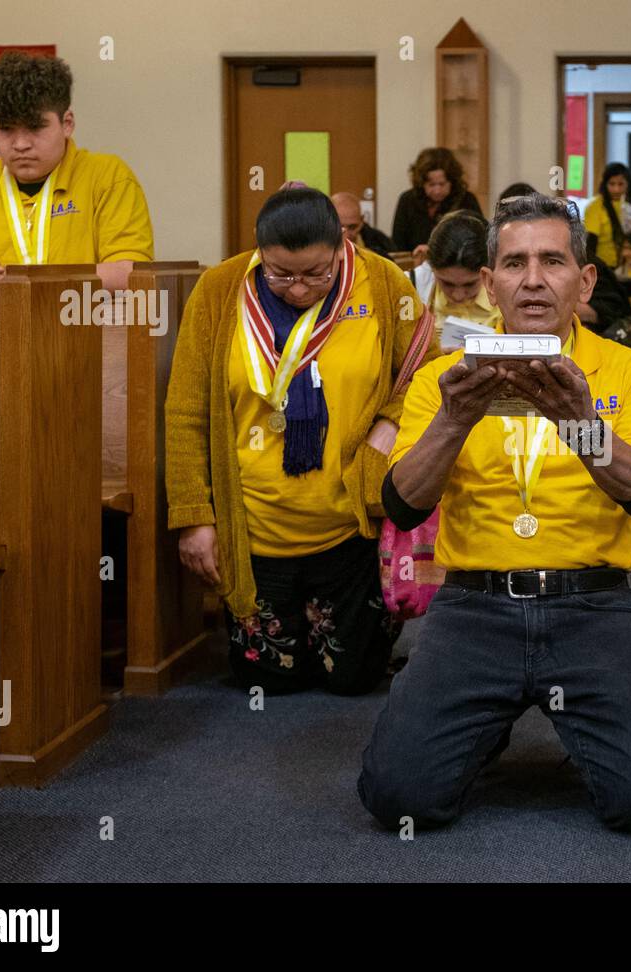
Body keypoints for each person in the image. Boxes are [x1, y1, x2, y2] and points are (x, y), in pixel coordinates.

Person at [358, 193, 631, 834]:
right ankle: (485, 722)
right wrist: (455, 420)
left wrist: (578, 423)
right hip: (474, 607)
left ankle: (553, 719)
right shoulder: (444, 378)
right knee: (397, 797)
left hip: (592, 605)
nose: (535, 279)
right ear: (490, 283)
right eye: (514, 264)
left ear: (585, 278)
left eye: (553, 261)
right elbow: (403, 504)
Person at [165, 187, 435, 695]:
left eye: (316, 273)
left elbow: (426, 371)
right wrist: (195, 517)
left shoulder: (382, 283)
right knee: (267, 681)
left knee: (354, 679)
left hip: (349, 525)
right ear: (258, 252)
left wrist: (391, 422)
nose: (297, 288)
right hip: (256, 523)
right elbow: (185, 411)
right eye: (280, 274)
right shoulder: (219, 290)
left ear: (341, 248)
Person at [0, 51, 153, 306]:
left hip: (83, 334)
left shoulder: (108, 177)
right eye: (5, 129)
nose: (21, 144)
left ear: (67, 123)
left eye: (35, 127)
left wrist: (31, 283)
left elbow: (130, 273)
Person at [409, 209, 501, 343]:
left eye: (470, 284)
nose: (458, 295)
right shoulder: (410, 287)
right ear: (432, 269)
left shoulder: (508, 292)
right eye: (447, 284)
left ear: (487, 272)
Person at [389, 147, 483, 256]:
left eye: (442, 184)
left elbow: (477, 243)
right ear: (421, 183)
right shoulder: (407, 200)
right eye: (431, 185)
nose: (437, 191)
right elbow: (398, 244)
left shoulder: (466, 201)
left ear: (452, 181)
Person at [583, 162, 631, 268]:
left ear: (628, 184)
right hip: (603, 268)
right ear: (605, 184)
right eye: (612, 184)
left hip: (628, 268)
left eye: (620, 184)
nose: (616, 189)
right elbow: (590, 243)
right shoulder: (595, 207)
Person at [332, 191, 394, 258]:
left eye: (352, 227)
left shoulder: (382, 244)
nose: (346, 235)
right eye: (339, 227)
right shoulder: (320, 247)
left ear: (361, 221)